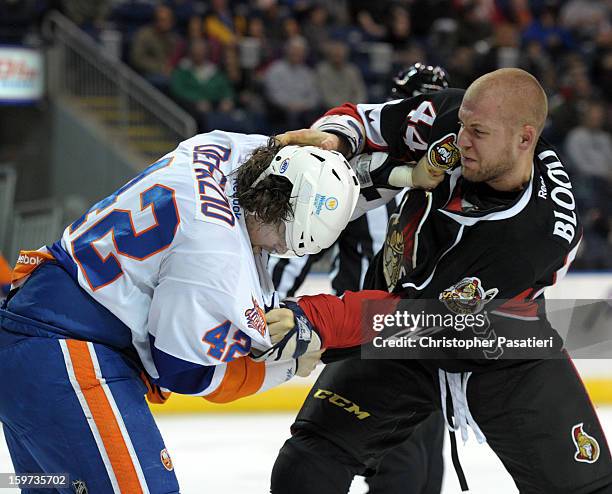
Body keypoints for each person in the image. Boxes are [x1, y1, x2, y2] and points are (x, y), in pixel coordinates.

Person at [266, 68, 612, 493]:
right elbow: (370, 122)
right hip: (405, 320)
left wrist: (315, 319)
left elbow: (418, 315)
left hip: (499, 347)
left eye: (477, 132)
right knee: (308, 463)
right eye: (463, 125)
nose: (460, 139)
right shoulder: (461, 119)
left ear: (525, 139)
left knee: (587, 489)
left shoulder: (532, 233)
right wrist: (337, 140)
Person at [0, 130, 373, 492]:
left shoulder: (219, 149)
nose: (276, 251)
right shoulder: (219, 258)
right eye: (283, 243)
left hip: (30, 335)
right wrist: (284, 368)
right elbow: (182, 371)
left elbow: (283, 144)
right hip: (66, 355)